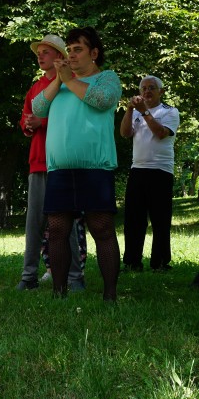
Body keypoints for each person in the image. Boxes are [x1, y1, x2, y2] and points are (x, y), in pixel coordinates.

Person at [31, 27, 122, 300]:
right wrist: (60, 80)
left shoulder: (107, 78)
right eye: (69, 50)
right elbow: (37, 108)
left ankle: (110, 295)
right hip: (59, 169)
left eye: (77, 49)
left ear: (94, 53)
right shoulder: (58, 83)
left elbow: (102, 101)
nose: (71, 54)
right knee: (57, 229)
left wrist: (68, 79)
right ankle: (59, 294)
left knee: (102, 228)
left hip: (96, 167)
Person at [16, 35, 84, 291]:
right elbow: (25, 119)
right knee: (34, 223)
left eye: (46, 52)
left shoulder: (72, 82)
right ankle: (28, 276)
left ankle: (75, 277)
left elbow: (73, 120)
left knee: (67, 222)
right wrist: (30, 123)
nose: (40, 56)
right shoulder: (35, 88)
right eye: (38, 52)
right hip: (38, 162)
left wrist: (40, 122)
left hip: (65, 162)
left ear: (59, 56)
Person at [120, 76, 180, 272]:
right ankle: (132, 261)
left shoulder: (170, 112)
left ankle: (160, 262)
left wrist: (144, 112)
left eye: (152, 88)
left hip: (161, 170)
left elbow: (161, 133)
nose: (147, 92)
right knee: (133, 220)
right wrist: (129, 109)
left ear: (161, 92)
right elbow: (125, 133)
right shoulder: (137, 113)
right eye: (143, 88)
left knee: (160, 219)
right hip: (137, 169)